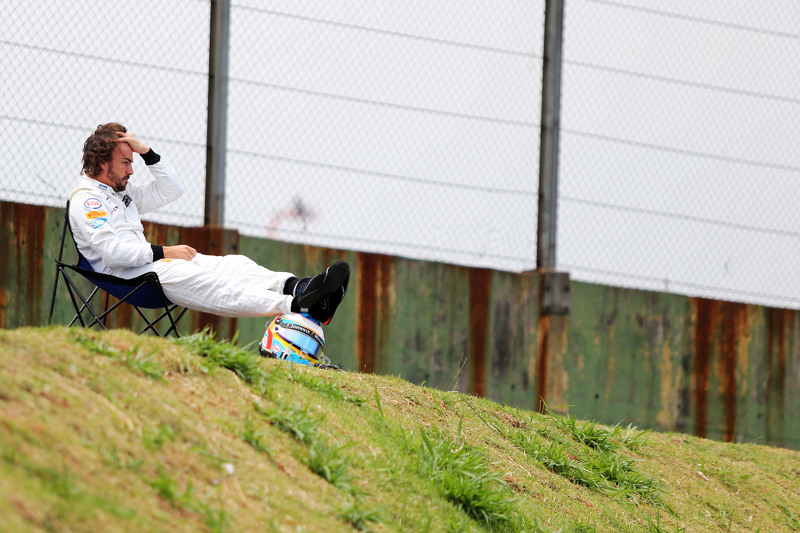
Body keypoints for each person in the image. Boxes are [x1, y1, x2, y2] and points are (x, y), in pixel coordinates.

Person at [69, 122, 349, 324]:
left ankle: (298, 287)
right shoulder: (87, 200)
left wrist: (147, 153)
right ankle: (298, 306)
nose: (132, 170)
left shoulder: (121, 192)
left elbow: (172, 190)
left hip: (150, 267)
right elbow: (113, 254)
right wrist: (164, 252)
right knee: (208, 279)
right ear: (103, 162)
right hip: (128, 277)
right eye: (126, 162)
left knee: (233, 264)